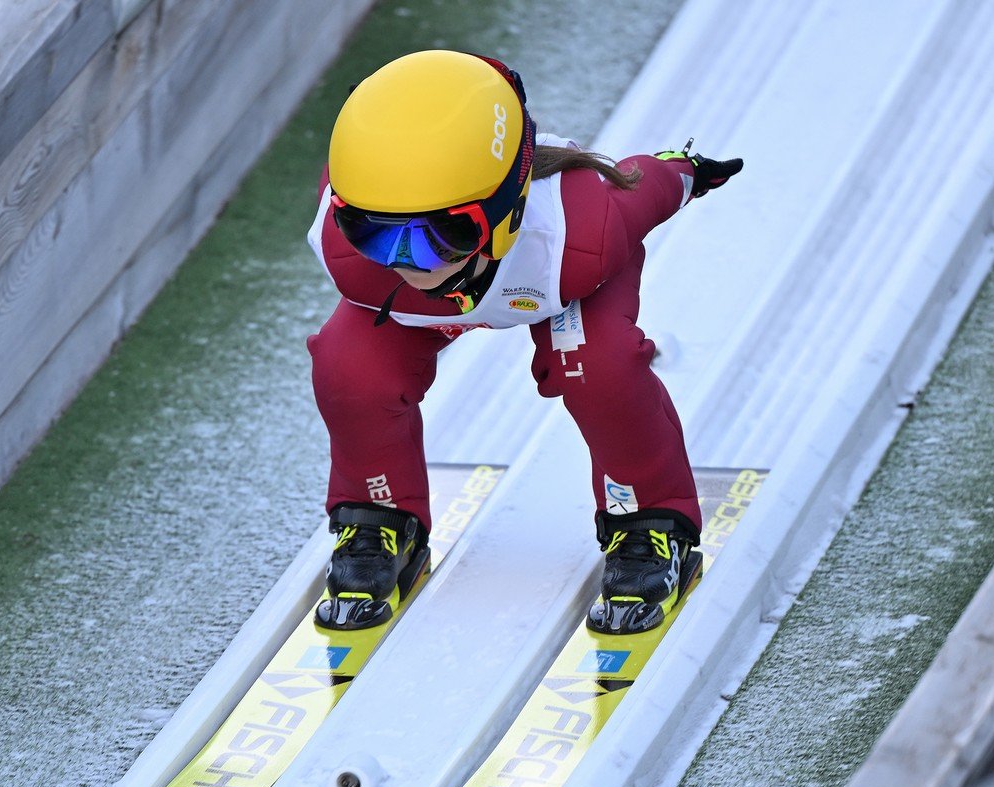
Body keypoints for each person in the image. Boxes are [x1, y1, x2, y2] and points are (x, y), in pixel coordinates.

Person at [305, 50, 741, 634]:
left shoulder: (578, 234)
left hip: (561, 293)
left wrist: (689, 169)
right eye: (372, 232)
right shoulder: (351, 258)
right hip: (427, 308)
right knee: (348, 367)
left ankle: (649, 522)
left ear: (505, 211)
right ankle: (380, 514)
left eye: (441, 235)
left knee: (598, 366)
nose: (407, 262)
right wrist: (412, 237)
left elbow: (650, 185)